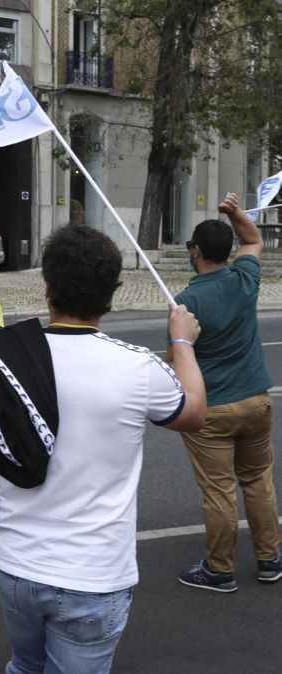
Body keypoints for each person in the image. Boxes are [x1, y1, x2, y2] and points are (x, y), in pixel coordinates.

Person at [0, 225, 207, 674]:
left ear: (47, 290)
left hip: (15, 563)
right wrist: (182, 341)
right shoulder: (138, 368)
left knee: (25, 667)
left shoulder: (4, 358)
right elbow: (194, 413)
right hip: (93, 575)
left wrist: (28, 455)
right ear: (112, 295)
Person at [172, 192, 281, 592]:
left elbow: (176, 357)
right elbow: (252, 241)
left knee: (219, 490)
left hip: (213, 408)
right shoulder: (244, 278)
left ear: (196, 252)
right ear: (227, 251)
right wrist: (235, 213)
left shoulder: (185, 303)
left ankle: (220, 569)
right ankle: (270, 559)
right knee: (257, 479)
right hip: (256, 399)